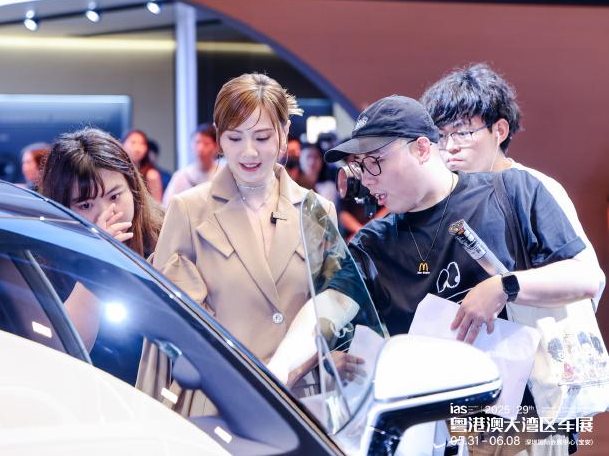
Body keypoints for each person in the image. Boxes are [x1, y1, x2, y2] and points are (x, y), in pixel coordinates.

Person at [322, 95, 601, 455]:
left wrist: (504, 287)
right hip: (431, 430)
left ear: (422, 148)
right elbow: (333, 311)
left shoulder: (513, 191)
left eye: (374, 162)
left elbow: (586, 278)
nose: (367, 179)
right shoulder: (373, 243)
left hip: (523, 422)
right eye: (359, 166)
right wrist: (331, 358)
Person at [141, 73, 357, 415]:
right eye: (235, 137)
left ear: (284, 133)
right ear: (219, 138)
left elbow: (336, 308)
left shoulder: (316, 210)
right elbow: (168, 325)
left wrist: (317, 359)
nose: (249, 151)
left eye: (262, 136)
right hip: (218, 403)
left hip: (300, 405)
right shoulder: (188, 210)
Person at [420, 63, 604, 310]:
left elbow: (587, 278)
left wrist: (505, 287)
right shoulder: (447, 200)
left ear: (500, 130)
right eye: (441, 136)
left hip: (534, 332)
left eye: (462, 132)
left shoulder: (530, 186)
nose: (450, 146)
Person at [40, 127, 164, 384]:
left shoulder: (165, 237)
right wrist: (97, 263)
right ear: (62, 208)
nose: (107, 214)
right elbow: (63, 355)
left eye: (114, 196)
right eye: (86, 205)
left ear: (133, 188)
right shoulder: (45, 262)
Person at [162, 123, 219, 206]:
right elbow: (167, 205)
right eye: (197, 142)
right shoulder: (181, 176)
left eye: (206, 143)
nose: (200, 148)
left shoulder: (222, 173)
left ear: (216, 146)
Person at [122, 129, 167, 203]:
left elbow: (157, 204)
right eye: (133, 142)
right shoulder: (117, 171)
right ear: (123, 144)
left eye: (142, 144)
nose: (137, 148)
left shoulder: (151, 174)